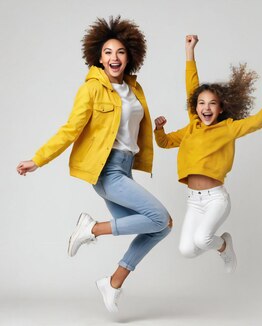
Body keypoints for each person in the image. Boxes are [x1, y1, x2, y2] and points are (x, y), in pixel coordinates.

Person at [15, 16, 172, 313]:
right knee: (161, 218)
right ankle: (92, 228)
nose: (115, 57)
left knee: (160, 228)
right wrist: (38, 159)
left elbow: (132, 129)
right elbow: (70, 129)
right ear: (98, 58)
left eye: (121, 52)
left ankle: (112, 283)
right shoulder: (91, 89)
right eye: (109, 52)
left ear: (130, 57)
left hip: (124, 167)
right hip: (106, 169)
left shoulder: (135, 89)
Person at [153, 35, 262, 273]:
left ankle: (224, 246)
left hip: (215, 199)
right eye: (201, 103)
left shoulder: (228, 128)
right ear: (195, 107)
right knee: (186, 251)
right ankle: (223, 244)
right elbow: (165, 142)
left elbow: (256, 123)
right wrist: (159, 130)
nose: (206, 108)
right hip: (193, 200)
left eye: (212, 103)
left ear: (221, 108)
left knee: (202, 239)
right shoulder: (191, 126)